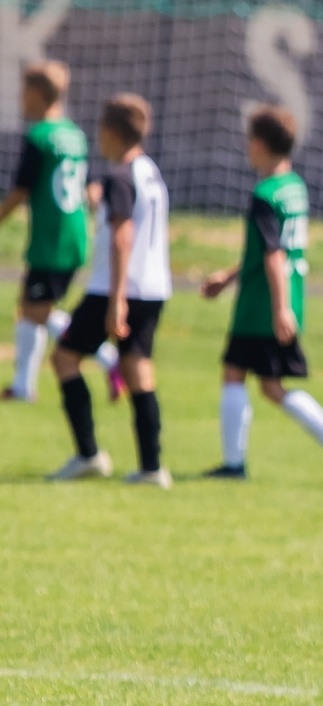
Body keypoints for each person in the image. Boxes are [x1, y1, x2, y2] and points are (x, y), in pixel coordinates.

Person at [200, 106, 323, 483]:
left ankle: (235, 464)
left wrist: (279, 308)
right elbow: (271, 252)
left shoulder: (265, 194)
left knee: (236, 375)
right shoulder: (294, 188)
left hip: (262, 307)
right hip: (283, 298)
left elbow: (274, 255)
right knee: (269, 385)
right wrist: (229, 277)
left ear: (258, 144)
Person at [45, 94, 171, 486]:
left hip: (114, 290)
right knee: (138, 371)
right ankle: (152, 468)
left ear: (111, 132)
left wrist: (115, 299)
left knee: (65, 359)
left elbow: (121, 237)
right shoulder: (148, 171)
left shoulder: (119, 176)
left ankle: (89, 454)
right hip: (152, 287)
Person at [0, 61, 122, 404]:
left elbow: (21, 192)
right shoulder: (74, 134)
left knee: (35, 310)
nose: (20, 99)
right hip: (75, 233)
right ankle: (24, 385)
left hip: (51, 239)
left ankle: (106, 359)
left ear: (36, 94)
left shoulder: (40, 137)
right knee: (32, 307)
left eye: (23, 92)